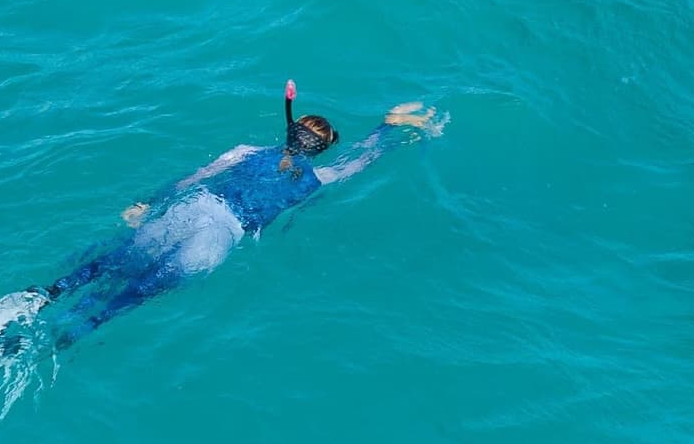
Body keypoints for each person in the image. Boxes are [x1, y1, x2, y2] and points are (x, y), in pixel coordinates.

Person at [41, 91, 446, 344]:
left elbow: (191, 179)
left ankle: (42, 296)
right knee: (139, 293)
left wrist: (146, 203)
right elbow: (365, 160)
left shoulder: (244, 151)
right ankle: (64, 339)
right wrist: (385, 127)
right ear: (321, 150)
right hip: (220, 237)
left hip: (193, 209)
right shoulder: (321, 177)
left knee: (113, 262)